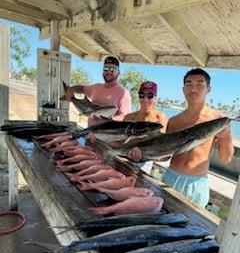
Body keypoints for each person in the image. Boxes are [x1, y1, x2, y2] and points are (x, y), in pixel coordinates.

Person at [128, 68, 234, 208]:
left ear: (208, 89)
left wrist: (225, 136)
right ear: (183, 89)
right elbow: (165, 156)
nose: (193, 89)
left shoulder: (218, 120)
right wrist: (141, 156)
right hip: (170, 177)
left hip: (196, 183)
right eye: (189, 84)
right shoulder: (174, 121)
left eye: (199, 84)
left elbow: (225, 159)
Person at [65, 56, 131, 126]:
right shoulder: (95, 87)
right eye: (106, 69)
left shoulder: (123, 93)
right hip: (89, 133)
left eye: (113, 69)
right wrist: (70, 90)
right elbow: (81, 89)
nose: (108, 71)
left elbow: (125, 117)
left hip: (108, 135)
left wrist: (109, 119)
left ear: (118, 72)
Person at [124, 81, 168, 174]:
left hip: (145, 165)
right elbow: (119, 141)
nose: (145, 99)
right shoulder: (129, 117)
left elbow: (163, 149)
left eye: (150, 95)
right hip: (124, 159)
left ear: (155, 97)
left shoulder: (160, 118)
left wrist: (144, 156)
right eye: (142, 95)